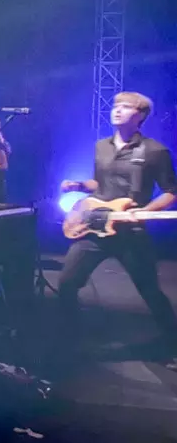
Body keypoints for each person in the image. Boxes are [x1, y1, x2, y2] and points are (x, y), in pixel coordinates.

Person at [59, 91, 177, 368]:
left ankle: (173, 346)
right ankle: (73, 339)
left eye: (126, 107)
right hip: (95, 228)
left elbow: (171, 191)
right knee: (67, 284)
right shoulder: (101, 146)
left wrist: (146, 211)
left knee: (150, 291)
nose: (117, 110)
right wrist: (79, 185)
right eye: (116, 106)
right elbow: (100, 184)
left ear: (141, 116)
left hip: (129, 233)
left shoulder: (154, 151)